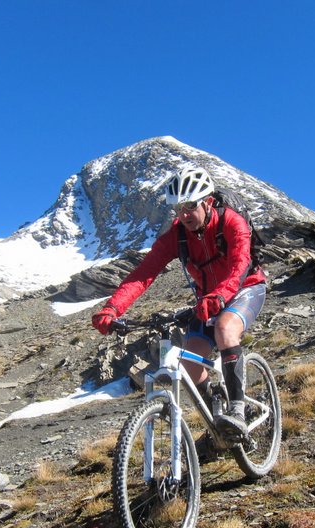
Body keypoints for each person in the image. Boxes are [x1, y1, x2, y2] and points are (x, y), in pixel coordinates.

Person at [91, 166, 267, 442]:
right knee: (189, 364)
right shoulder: (178, 234)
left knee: (224, 329)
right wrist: (113, 307)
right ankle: (221, 429)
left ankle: (237, 411)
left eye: (189, 206)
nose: (183, 214)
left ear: (207, 201)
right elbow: (143, 273)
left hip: (246, 288)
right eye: (176, 208)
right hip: (207, 300)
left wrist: (220, 295)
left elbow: (240, 264)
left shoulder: (232, 223)